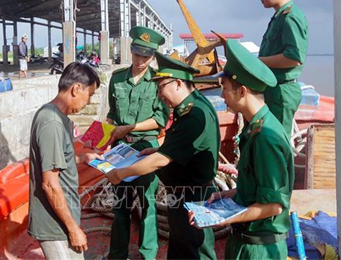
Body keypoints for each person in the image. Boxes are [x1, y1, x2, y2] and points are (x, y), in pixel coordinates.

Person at [106, 51, 220, 260]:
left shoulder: (194, 115)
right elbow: (181, 149)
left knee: (195, 250)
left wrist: (120, 173)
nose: (159, 95)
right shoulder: (188, 108)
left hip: (193, 198)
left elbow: (160, 162)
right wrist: (159, 150)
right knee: (180, 249)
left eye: (161, 88)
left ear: (177, 83)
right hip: (182, 195)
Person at [191, 39, 294, 259]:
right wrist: (224, 195)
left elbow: (274, 206)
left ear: (242, 91)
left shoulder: (265, 137)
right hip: (245, 242)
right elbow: (256, 187)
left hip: (259, 250)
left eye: (225, 89)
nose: (221, 96)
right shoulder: (254, 128)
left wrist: (223, 218)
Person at [105, 26, 169, 260]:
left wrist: (131, 127)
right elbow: (112, 113)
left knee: (148, 204)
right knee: (120, 206)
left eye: (147, 56)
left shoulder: (157, 82)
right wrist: (105, 132)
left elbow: (160, 119)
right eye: (137, 54)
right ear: (131, 51)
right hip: (120, 149)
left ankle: (148, 254)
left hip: (146, 148)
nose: (141, 60)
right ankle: (117, 254)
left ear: (153, 56)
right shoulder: (117, 78)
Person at [28, 62, 103, 260]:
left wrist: (81, 158)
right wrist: (73, 229)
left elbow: (56, 160)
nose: (88, 102)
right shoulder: (51, 122)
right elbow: (50, 184)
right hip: (55, 223)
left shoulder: (60, 118)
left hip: (64, 215)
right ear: (76, 89)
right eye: (90, 95)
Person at [253, 0, 308, 137]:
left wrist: (257, 62)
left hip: (282, 93)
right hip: (273, 90)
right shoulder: (279, 17)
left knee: (278, 146)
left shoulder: (291, 17)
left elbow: (294, 58)